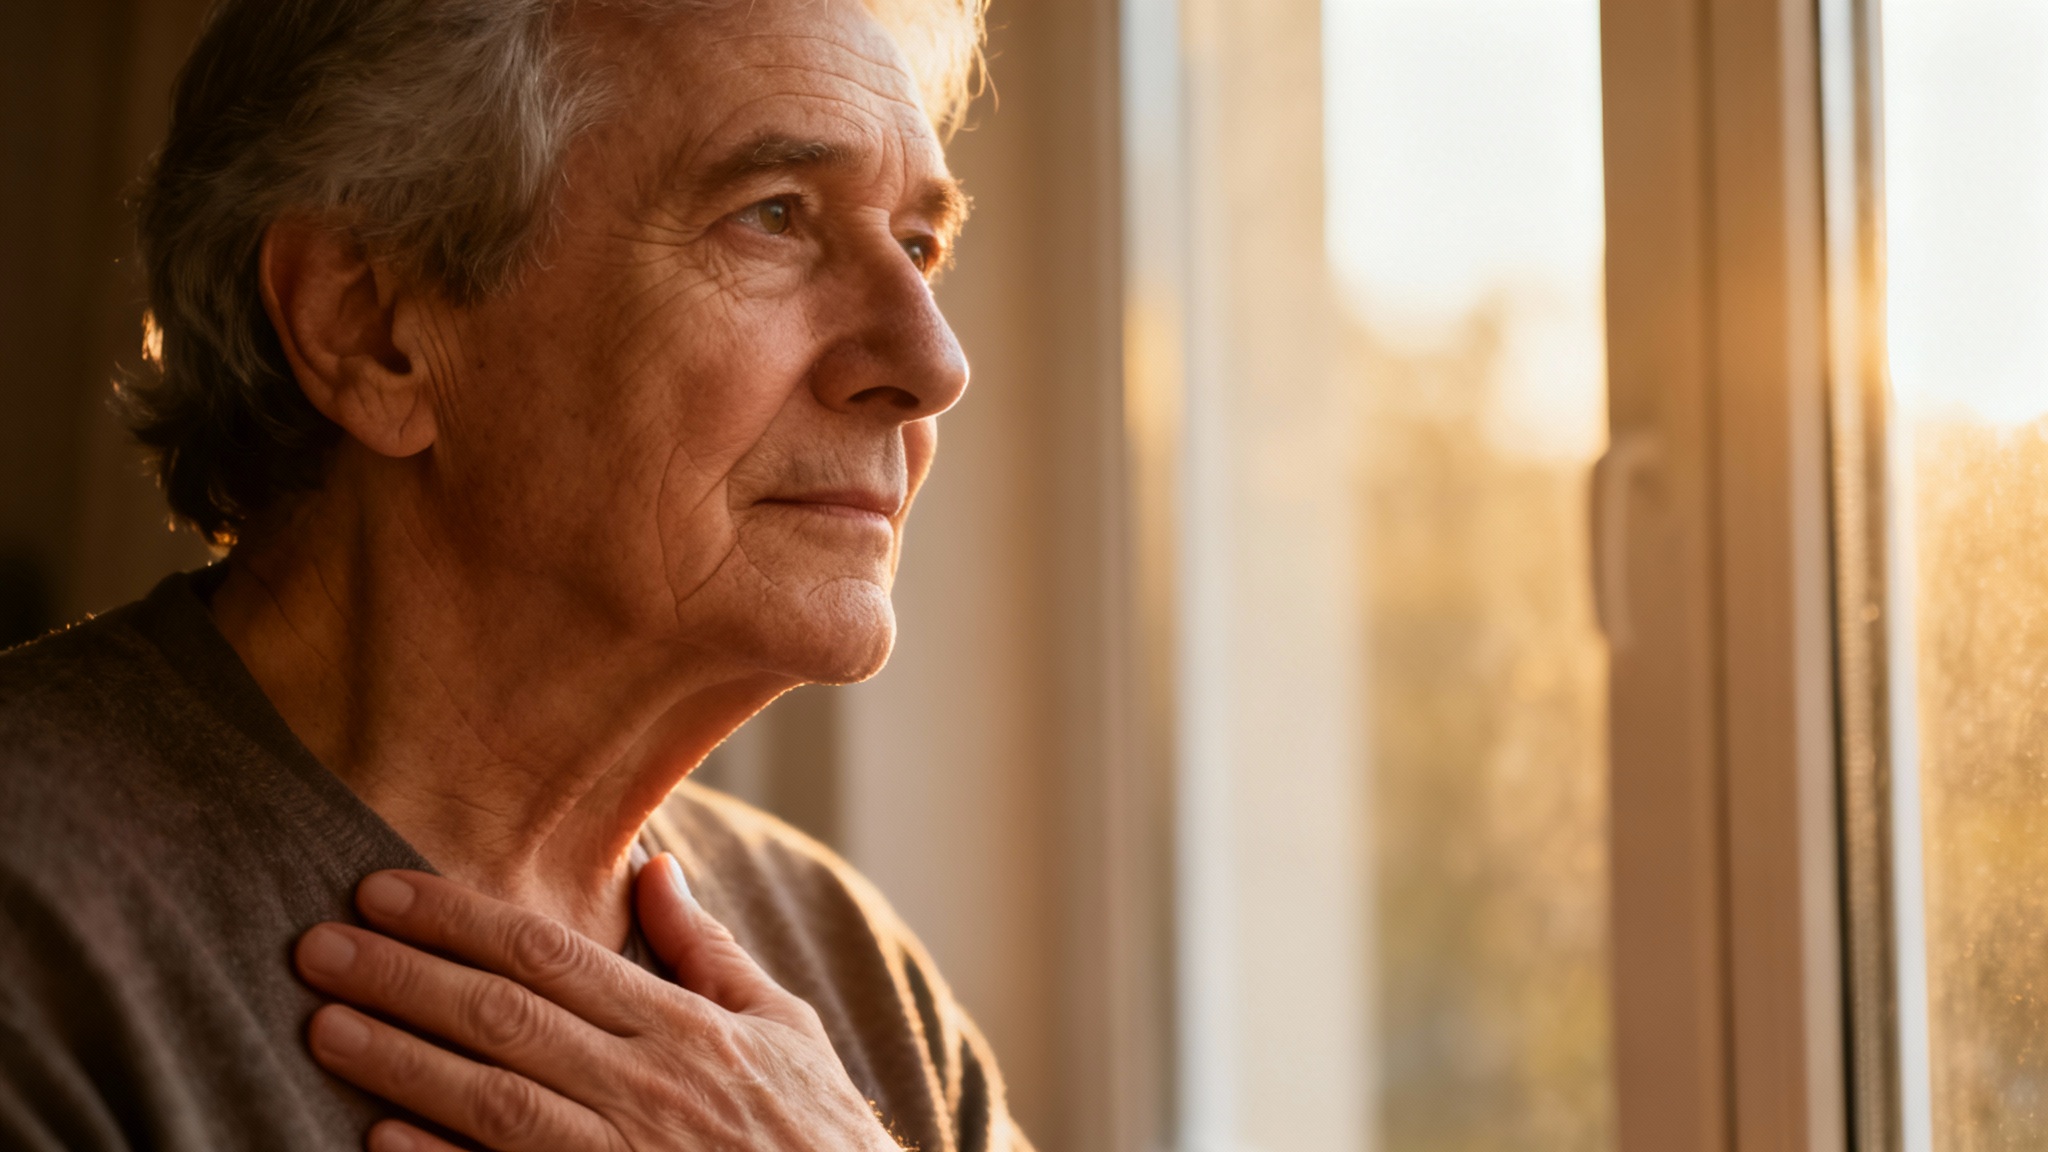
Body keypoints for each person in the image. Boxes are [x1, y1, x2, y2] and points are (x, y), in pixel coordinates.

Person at [0, 0, 1027, 1149]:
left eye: (919, 245)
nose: (932, 362)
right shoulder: (34, 925)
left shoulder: (844, 959)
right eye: (772, 217)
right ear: (372, 327)